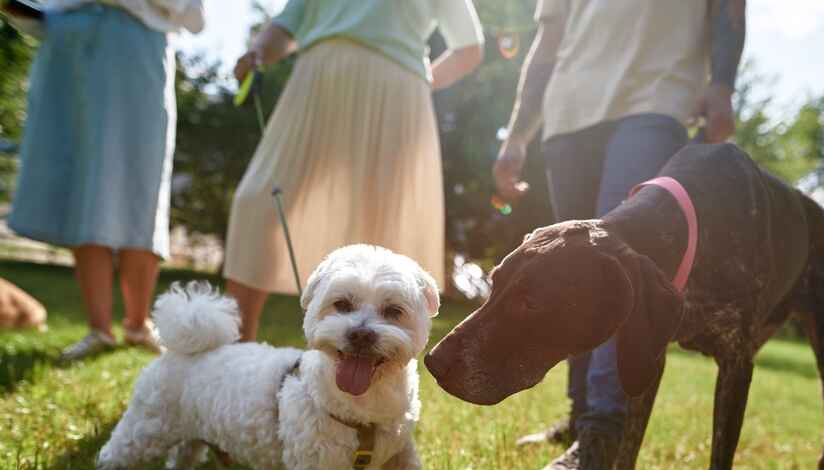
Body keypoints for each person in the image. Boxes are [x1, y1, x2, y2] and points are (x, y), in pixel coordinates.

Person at [493, 0, 746, 470]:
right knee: (572, 270)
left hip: (656, 100)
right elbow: (547, 45)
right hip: (568, 116)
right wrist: (518, 135)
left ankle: (603, 437)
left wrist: (722, 84)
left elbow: (728, 8)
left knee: (616, 259)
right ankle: (581, 413)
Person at [224, 0, 484, 342]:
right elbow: (288, 24)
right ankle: (234, 346)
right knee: (258, 202)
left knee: (384, 224)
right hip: (316, 81)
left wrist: (419, 80)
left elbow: (470, 47)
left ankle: (379, 356)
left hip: (397, 92)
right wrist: (257, 51)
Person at [6, 0, 206, 361]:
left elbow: (189, 12)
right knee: (85, 184)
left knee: (140, 184)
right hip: (71, 43)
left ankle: (137, 323)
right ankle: (99, 329)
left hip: (137, 43)